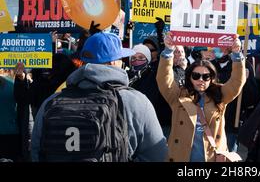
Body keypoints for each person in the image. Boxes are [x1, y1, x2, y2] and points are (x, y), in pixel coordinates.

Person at [31, 32, 168, 162]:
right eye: (120, 58)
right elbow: (157, 155)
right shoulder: (135, 101)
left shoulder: (52, 101)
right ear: (114, 62)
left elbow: (36, 151)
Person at [156, 32, 246, 162]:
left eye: (206, 76)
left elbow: (237, 82)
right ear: (189, 77)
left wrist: (237, 55)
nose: (201, 80)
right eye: (196, 76)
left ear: (212, 78)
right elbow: (164, 80)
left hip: (211, 158)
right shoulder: (178, 96)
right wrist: (168, 50)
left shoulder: (220, 95)